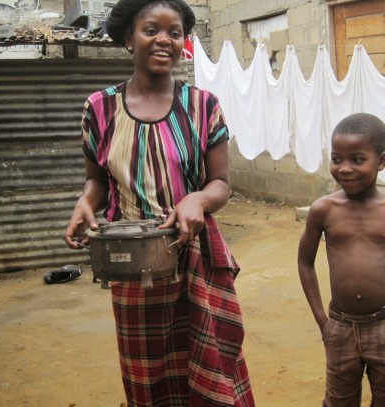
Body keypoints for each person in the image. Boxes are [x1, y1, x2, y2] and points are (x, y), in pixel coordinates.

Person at [63, 1, 255, 405]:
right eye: (151, 30)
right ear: (130, 39)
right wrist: (85, 203)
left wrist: (197, 200)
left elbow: (220, 182)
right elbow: (96, 181)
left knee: (211, 367)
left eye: (174, 32)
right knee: (147, 374)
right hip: (132, 262)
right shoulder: (99, 108)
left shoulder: (203, 106)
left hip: (195, 257)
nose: (164, 39)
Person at [297, 113, 385, 407]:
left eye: (357, 159)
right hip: (339, 327)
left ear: (382, 161)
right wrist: (323, 322)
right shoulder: (322, 210)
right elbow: (305, 262)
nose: (345, 168)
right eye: (337, 159)